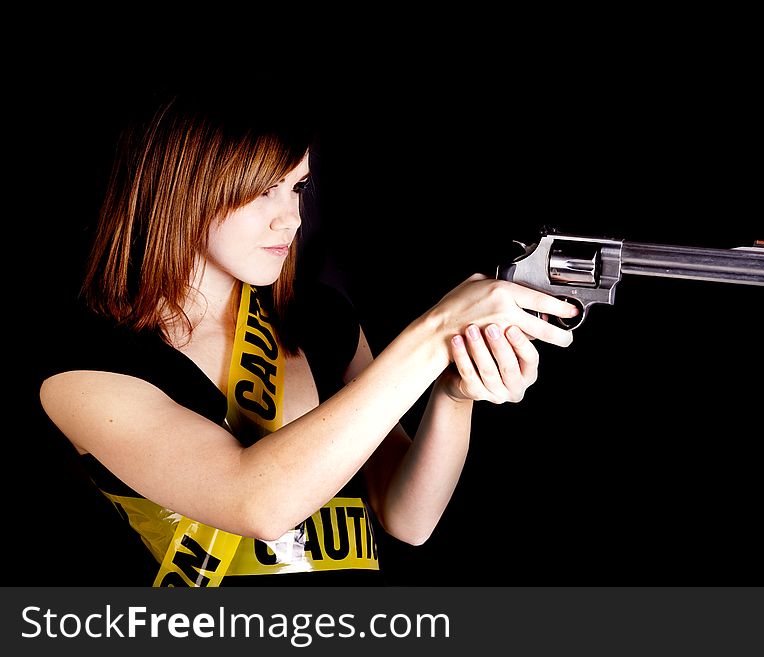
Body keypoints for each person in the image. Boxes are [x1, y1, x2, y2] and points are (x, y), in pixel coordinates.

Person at [38, 88, 578, 586]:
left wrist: (452, 392)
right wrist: (434, 330)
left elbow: (407, 517)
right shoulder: (84, 361)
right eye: (259, 192)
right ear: (179, 191)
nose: (291, 218)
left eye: (297, 187)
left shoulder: (320, 318)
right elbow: (257, 504)